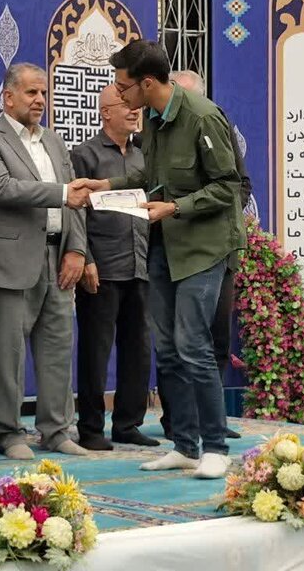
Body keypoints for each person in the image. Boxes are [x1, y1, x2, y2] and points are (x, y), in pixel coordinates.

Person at [76, 40, 244, 479]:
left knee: (193, 345)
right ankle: (185, 445)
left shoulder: (202, 116)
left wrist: (175, 207)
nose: (120, 95)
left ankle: (216, 446)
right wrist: (104, 184)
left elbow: (229, 187)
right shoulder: (151, 119)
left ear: (147, 83)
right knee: (167, 350)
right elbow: (150, 176)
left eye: (124, 87)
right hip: (164, 246)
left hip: (204, 247)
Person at [0, 63, 89, 460]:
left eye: (43, 93)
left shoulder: (54, 141)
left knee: (58, 348)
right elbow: (2, 188)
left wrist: (77, 249)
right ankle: (8, 433)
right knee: (8, 353)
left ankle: (56, 430)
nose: (40, 100)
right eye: (31, 93)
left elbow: (78, 201)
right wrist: (61, 193)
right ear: (8, 97)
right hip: (11, 260)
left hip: (58, 257)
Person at [70, 84, 157, 450]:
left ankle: (128, 424)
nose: (133, 110)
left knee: (138, 349)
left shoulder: (144, 156)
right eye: (124, 105)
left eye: (134, 105)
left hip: (140, 266)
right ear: (105, 112)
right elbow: (74, 212)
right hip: (101, 268)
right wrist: (86, 258)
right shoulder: (84, 155)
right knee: (96, 351)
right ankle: (90, 428)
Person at [168, 69, 249, 440]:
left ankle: (212, 418)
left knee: (217, 338)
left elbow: (239, 185)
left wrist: (219, 216)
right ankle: (183, 424)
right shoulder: (163, 130)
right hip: (180, 249)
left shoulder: (217, 126)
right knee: (183, 342)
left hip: (219, 249)